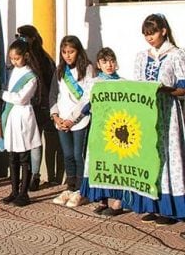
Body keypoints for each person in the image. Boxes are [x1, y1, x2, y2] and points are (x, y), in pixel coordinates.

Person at [133, 14, 185, 225]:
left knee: (168, 157)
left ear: (163, 30)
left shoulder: (176, 55)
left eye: (152, 33)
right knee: (149, 156)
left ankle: (170, 207)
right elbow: (136, 84)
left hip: (167, 113)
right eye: (145, 34)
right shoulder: (141, 56)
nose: (149, 38)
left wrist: (167, 90)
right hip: (146, 114)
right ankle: (150, 204)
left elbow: (183, 87)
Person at [49, 35, 94, 208]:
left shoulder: (87, 68)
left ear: (78, 51)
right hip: (61, 119)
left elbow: (87, 97)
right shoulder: (60, 69)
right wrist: (56, 116)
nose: (68, 55)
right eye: (64, 52)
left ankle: (81, 190)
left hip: (79, 119)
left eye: (71, 52)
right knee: (67, 155)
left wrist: (71, 120)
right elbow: (53, 94)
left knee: (78, 155)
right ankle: (70, 186)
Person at [80, 47, 124, 217]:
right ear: (98, 64)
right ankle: (102, 199)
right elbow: (85, 104)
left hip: (117, 132)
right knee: (99, 164)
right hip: (99, 129)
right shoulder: (94, 83)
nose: (109, 65)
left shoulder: (123, 83)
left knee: (116, 164)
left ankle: (118, 202)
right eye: (105, 61)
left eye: (112, 61)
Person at [16, 24, 58, 190]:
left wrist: (45, 104)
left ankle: (34, 176)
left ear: (32, 38)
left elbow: (48, 84)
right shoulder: (21, 57)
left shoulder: (42, 58)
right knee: (26, 142)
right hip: (24, 105)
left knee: (34, 142)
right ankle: (25, 175)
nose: (19, 39)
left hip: (39, 105)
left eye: (22, 36)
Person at [0, 39, 40, 206]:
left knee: (24, 156)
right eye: (11, 58)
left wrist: (2, 94)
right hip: (10, 117)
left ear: (25, 56)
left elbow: (21, 98)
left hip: (23, 117)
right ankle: (14, 190)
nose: (13, 61)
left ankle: (24, 193)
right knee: (12, 156)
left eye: (16, 58)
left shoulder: (31, 76)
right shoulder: (10, 72)